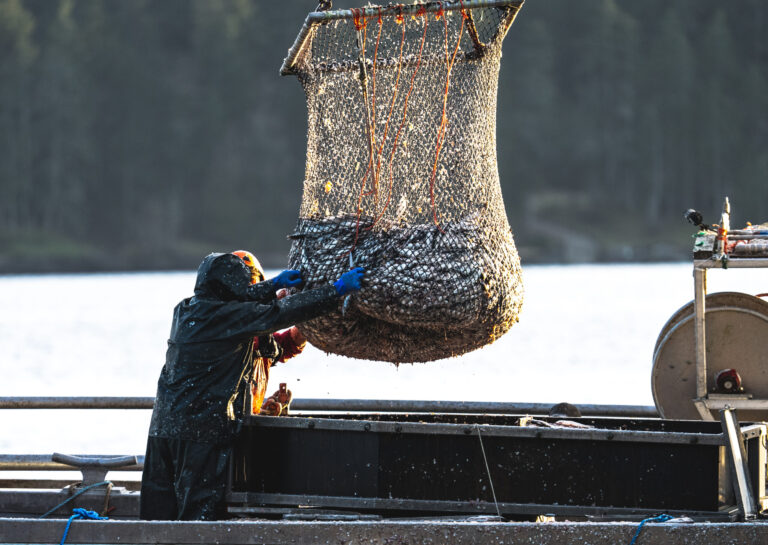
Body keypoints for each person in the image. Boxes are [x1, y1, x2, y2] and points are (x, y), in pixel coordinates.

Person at [139, 251, 364, 520]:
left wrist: (274, 285)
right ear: (231, 287)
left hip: (163, 430)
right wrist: (335, 290)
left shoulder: (185, 309)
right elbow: (281, 313)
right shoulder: (230, 317)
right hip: (201, 433)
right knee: (198, 516)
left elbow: (241, 303)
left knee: (157, 513)